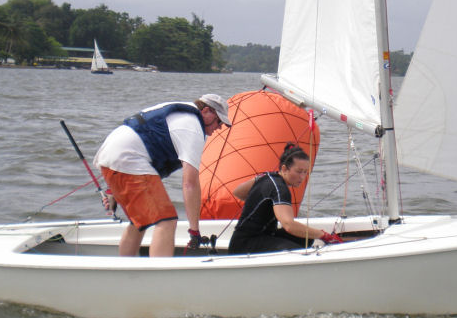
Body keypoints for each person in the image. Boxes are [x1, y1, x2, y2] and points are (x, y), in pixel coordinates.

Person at [93, 94, 230, 257]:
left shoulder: (181, 112)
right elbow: (190, 184)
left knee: (139, 222)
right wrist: (194, 230)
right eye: (219, 122)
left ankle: (126, 271)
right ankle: (159, 277)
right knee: (167, 220)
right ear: (206, 111)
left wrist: (113, 192)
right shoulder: (192, 127)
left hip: (114, 154)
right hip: (128, 159)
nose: (219, 127)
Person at [228, 143, 342, 254]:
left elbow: (239, 193)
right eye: (298, 171)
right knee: (299, 252)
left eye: (305, 172)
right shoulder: (280, 189)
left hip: (255, 237)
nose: (302, 177)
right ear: (284, 168)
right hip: (245, 245)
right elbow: (289, 225)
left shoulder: (267, 177)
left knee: (306, 238)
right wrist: (323, 235)